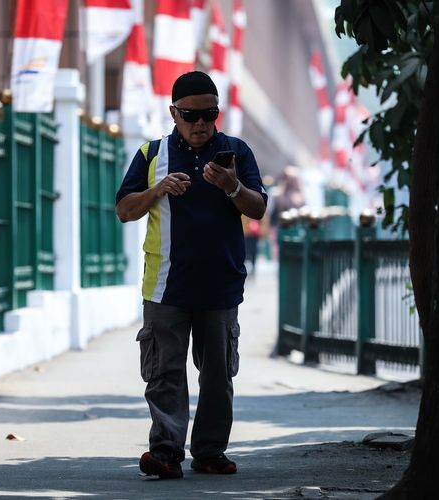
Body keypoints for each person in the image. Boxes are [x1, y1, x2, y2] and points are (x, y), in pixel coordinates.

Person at [116, 71, 267, 479]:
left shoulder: (236, 151)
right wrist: (158, 189)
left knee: (217, 375)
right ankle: (165, 453)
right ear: (173, 113)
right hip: (166, 284)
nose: (200, 123)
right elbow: (125, 210)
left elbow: (257, 210)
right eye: (190, 115)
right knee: (164, 373)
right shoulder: (152, 153)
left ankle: (210, 451)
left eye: (209, 114)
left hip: (220, 284)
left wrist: (233, 187)